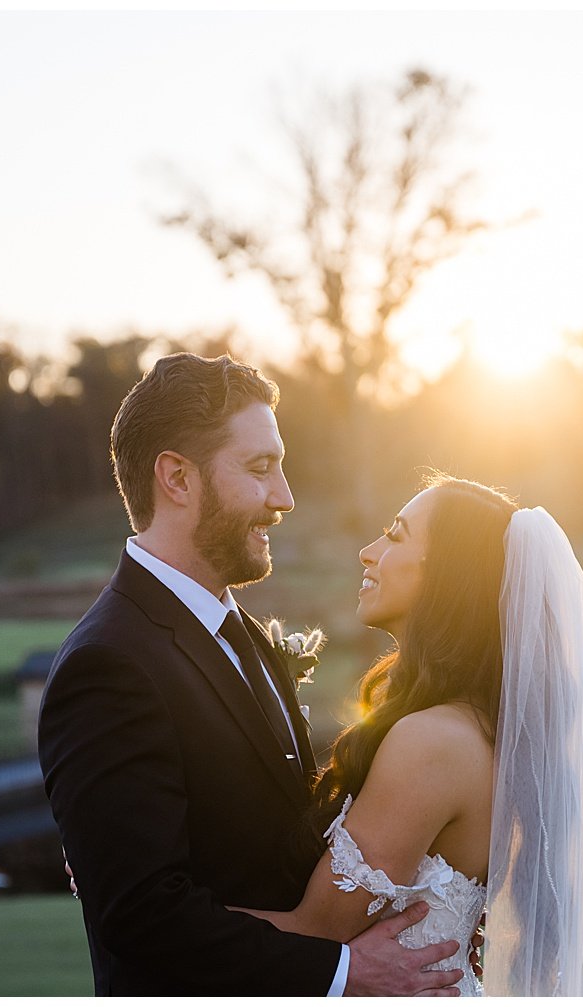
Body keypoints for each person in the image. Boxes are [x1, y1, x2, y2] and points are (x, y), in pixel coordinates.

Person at [37, 353, 463, 995]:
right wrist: (342, 972)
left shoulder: (250, 639)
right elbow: (139, 916)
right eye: (261, 469)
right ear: (177, 478)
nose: (284, 498)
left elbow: (274, 836)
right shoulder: (110, 665)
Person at [231, 473, 583, 996]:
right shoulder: (476, 728)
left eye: (394, 537)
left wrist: (142, 904)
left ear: (447, 577)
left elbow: (315, 931)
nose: (367, 553)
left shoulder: (433, 743)